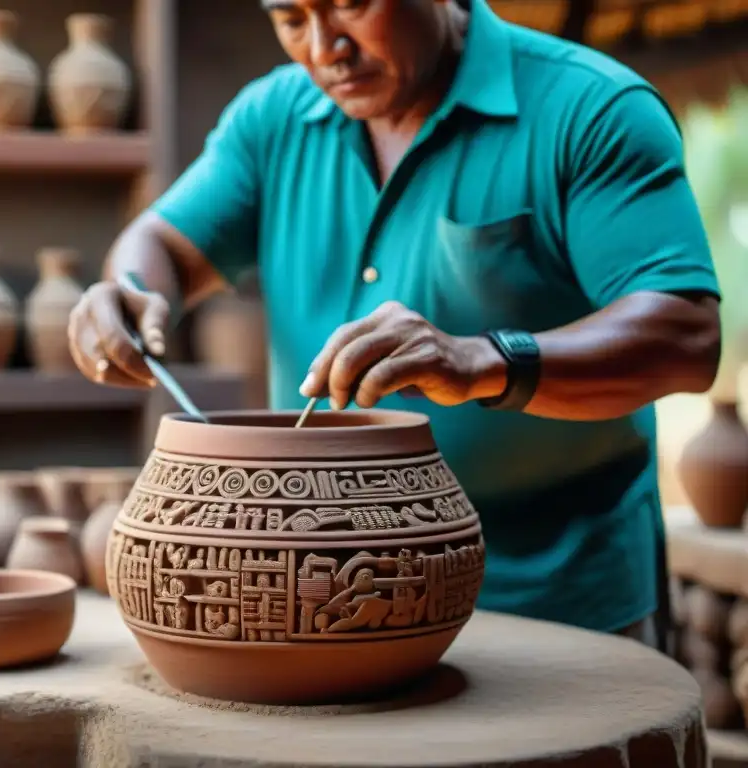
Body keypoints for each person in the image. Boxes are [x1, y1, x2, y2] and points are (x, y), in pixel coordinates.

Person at [66, 0, 722, 649]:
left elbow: (685, 338)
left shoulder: (590, 108)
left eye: (351, 5)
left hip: (558, 602)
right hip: (333, 598)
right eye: (291, 18)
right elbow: (161, 244)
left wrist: (481, 361)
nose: (325, 47)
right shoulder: (274, 117)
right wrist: (129, 294)